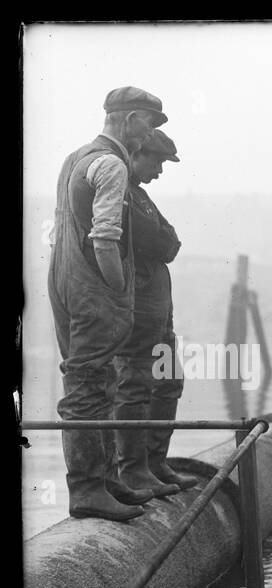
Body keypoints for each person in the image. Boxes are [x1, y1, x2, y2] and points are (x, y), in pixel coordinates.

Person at [49, 87, 167, 521]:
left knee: (93, 383)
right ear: (131, 118)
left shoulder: (75, 158)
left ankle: (104, 481)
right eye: (150, 124)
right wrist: (118, 289)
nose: (148, 135)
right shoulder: (113, 163)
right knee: (87, 386)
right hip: (94, 290)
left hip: (64, 283)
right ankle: (86, 491)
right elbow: (104, 238)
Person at [115, 128, 195, 494]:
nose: (160, 170)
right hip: (138, 309)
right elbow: (163, 242)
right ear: (137, 153)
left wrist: (165, 237)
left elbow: (170, 241)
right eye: (157, 161)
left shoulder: (141, 195)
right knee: (135, 384)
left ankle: (154, 462)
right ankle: (133, 469)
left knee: (167, 383)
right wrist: (165, 237)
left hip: (158, 313)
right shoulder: (123, 194)